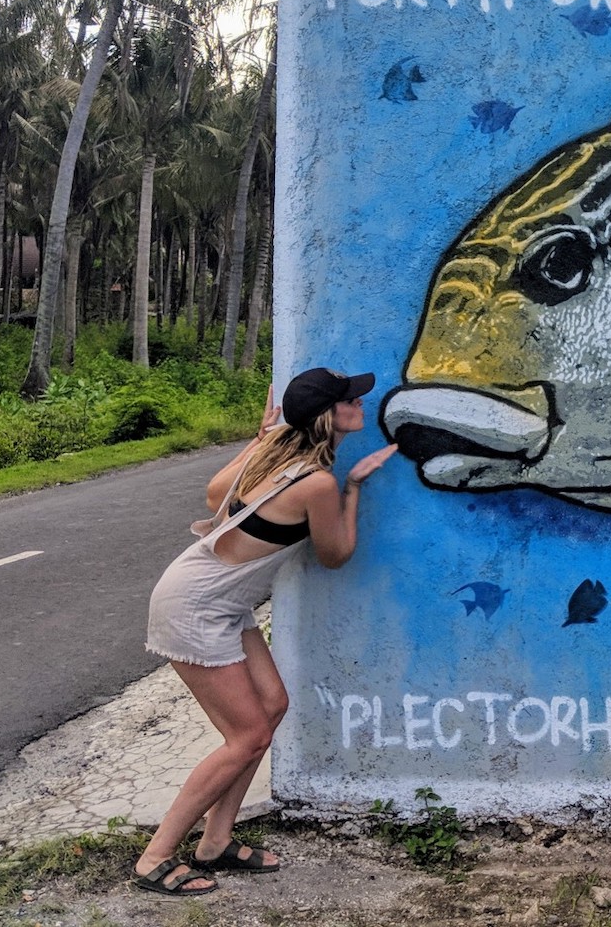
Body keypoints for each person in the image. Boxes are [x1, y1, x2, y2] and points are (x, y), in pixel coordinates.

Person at [131, 367, 397, 896]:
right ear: (331, 416)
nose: (360, 403)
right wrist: (354, 488)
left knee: (272, 706)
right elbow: (336, 554)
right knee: (247, 735)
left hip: (217, 600)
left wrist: (262, 440)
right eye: (351, 399)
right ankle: (155, 857)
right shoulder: (317, 481)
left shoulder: (281, 459)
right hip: (197, 606)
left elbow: (213, 497)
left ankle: (216, 842)